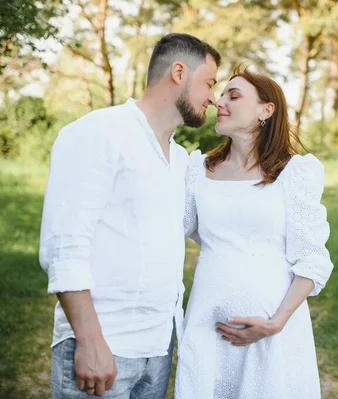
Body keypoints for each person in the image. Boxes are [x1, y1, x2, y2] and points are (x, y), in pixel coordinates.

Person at [38, 33, 220, 398]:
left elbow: (216, 233)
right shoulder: (98, 132)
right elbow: (64, 245)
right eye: (210, 82)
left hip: (159, 350)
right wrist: (89, 342)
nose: (213, 97)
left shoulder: (182, 161)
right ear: (179, 72)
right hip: (104, 346)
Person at [175, 67, 333, 398]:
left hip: (273, 333)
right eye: (221, 95)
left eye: (234, 96)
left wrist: (276, 322)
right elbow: (177, 229)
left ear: (266, 110)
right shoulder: (198, 170)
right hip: (207, 324)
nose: (220, 102)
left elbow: (312, 259)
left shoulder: (294, 174)